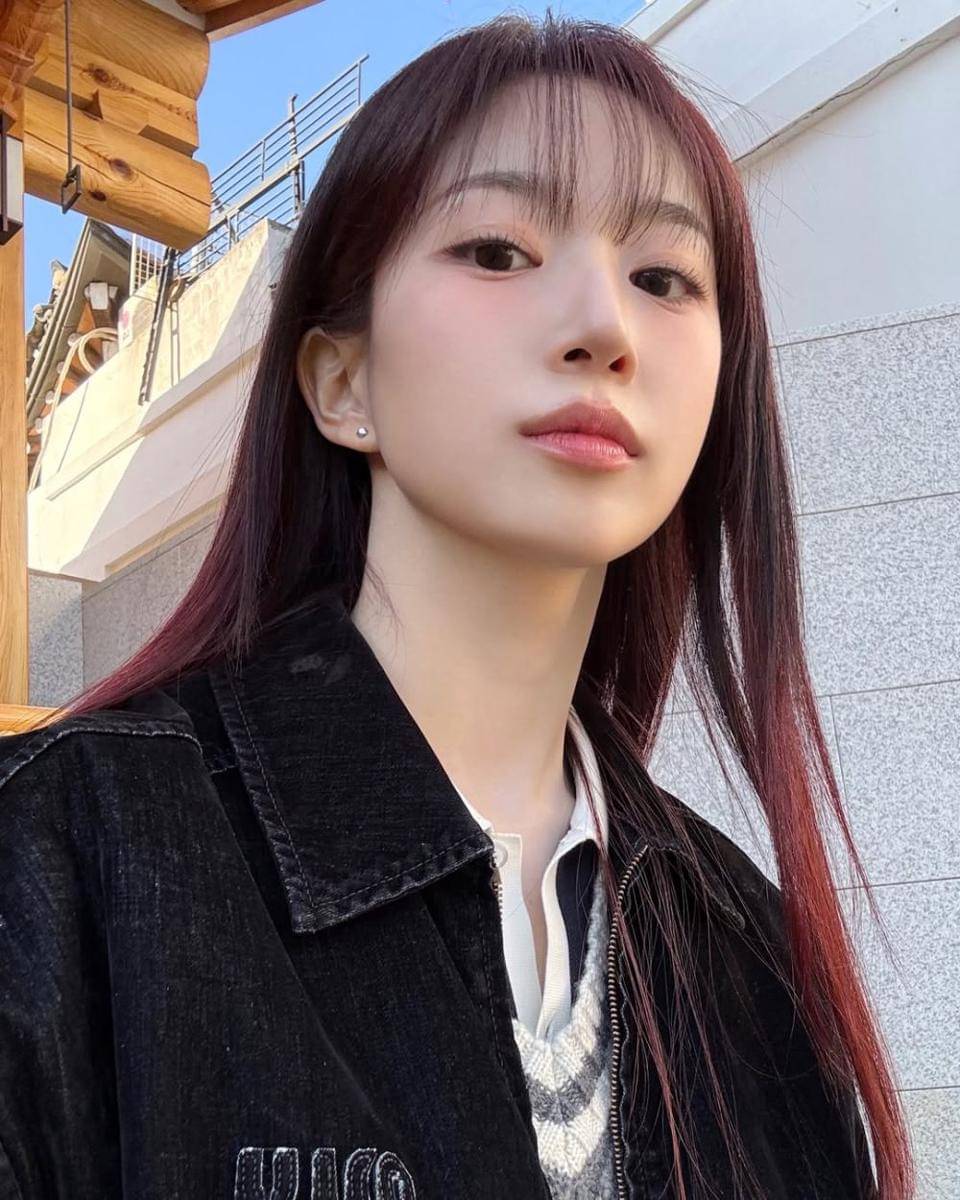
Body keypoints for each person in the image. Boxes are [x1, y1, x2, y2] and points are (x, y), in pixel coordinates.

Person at [0, 12, 912, 1200]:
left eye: (664, 278)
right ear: (341, 380)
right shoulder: (63, 859)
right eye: (496, 251)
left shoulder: (753, 956)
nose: (605, 329)